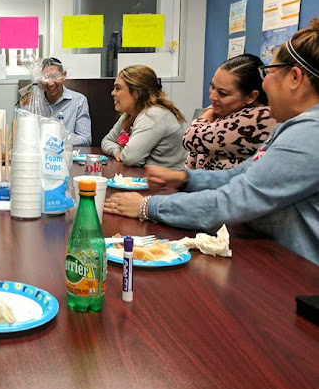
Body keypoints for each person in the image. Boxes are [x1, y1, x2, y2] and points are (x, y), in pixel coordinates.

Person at [104, 19, 319, 265]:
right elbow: (239, 175)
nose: (265, 83)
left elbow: (234, 200)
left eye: (268, 73)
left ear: (295, 77)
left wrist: (148, 206)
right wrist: (185, 178)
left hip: (301, 272)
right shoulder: (292, 125)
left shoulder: (309, 134)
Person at [184, 54, 276, 170]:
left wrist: (209, 112)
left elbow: (190, 139)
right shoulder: (224, 113)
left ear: (251, 97)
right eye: (212, 86)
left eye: (223, 93)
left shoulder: (263, 118)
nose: (212, 96)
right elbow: (191, 161)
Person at [101, 65, 187, 169]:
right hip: (145, 175)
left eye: (118, 88)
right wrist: (116, 151)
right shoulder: (129, 115)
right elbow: (107, 141)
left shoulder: (152, 115)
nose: (113, 93)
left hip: (167, 178)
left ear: (136, 93)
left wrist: (123, 153)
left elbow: (130, 158)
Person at [40, 57, 92, 145]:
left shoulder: (79, 101)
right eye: (45, 78)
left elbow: (85, 139)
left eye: (54, 76)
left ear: (63, 75)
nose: (50, 83)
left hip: (67, 152)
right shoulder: (33, 102)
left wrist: (59, 139)